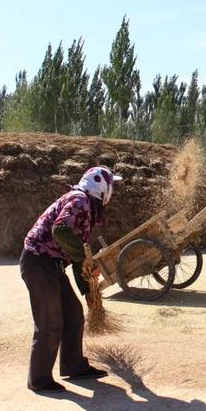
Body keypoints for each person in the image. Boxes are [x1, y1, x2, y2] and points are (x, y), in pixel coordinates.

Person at [20, 166, 123, 393]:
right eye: (111, 186)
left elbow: (79, 258)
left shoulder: (86, 208)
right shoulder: (79, 200)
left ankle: (73, 365)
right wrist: (84, 259)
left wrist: (88, 292)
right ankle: (39, 379)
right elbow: (60, 230)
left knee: (74, 313)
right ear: (101, 188)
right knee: (50, 322)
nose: (112, 192)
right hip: (38, 263)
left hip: (52, 266)